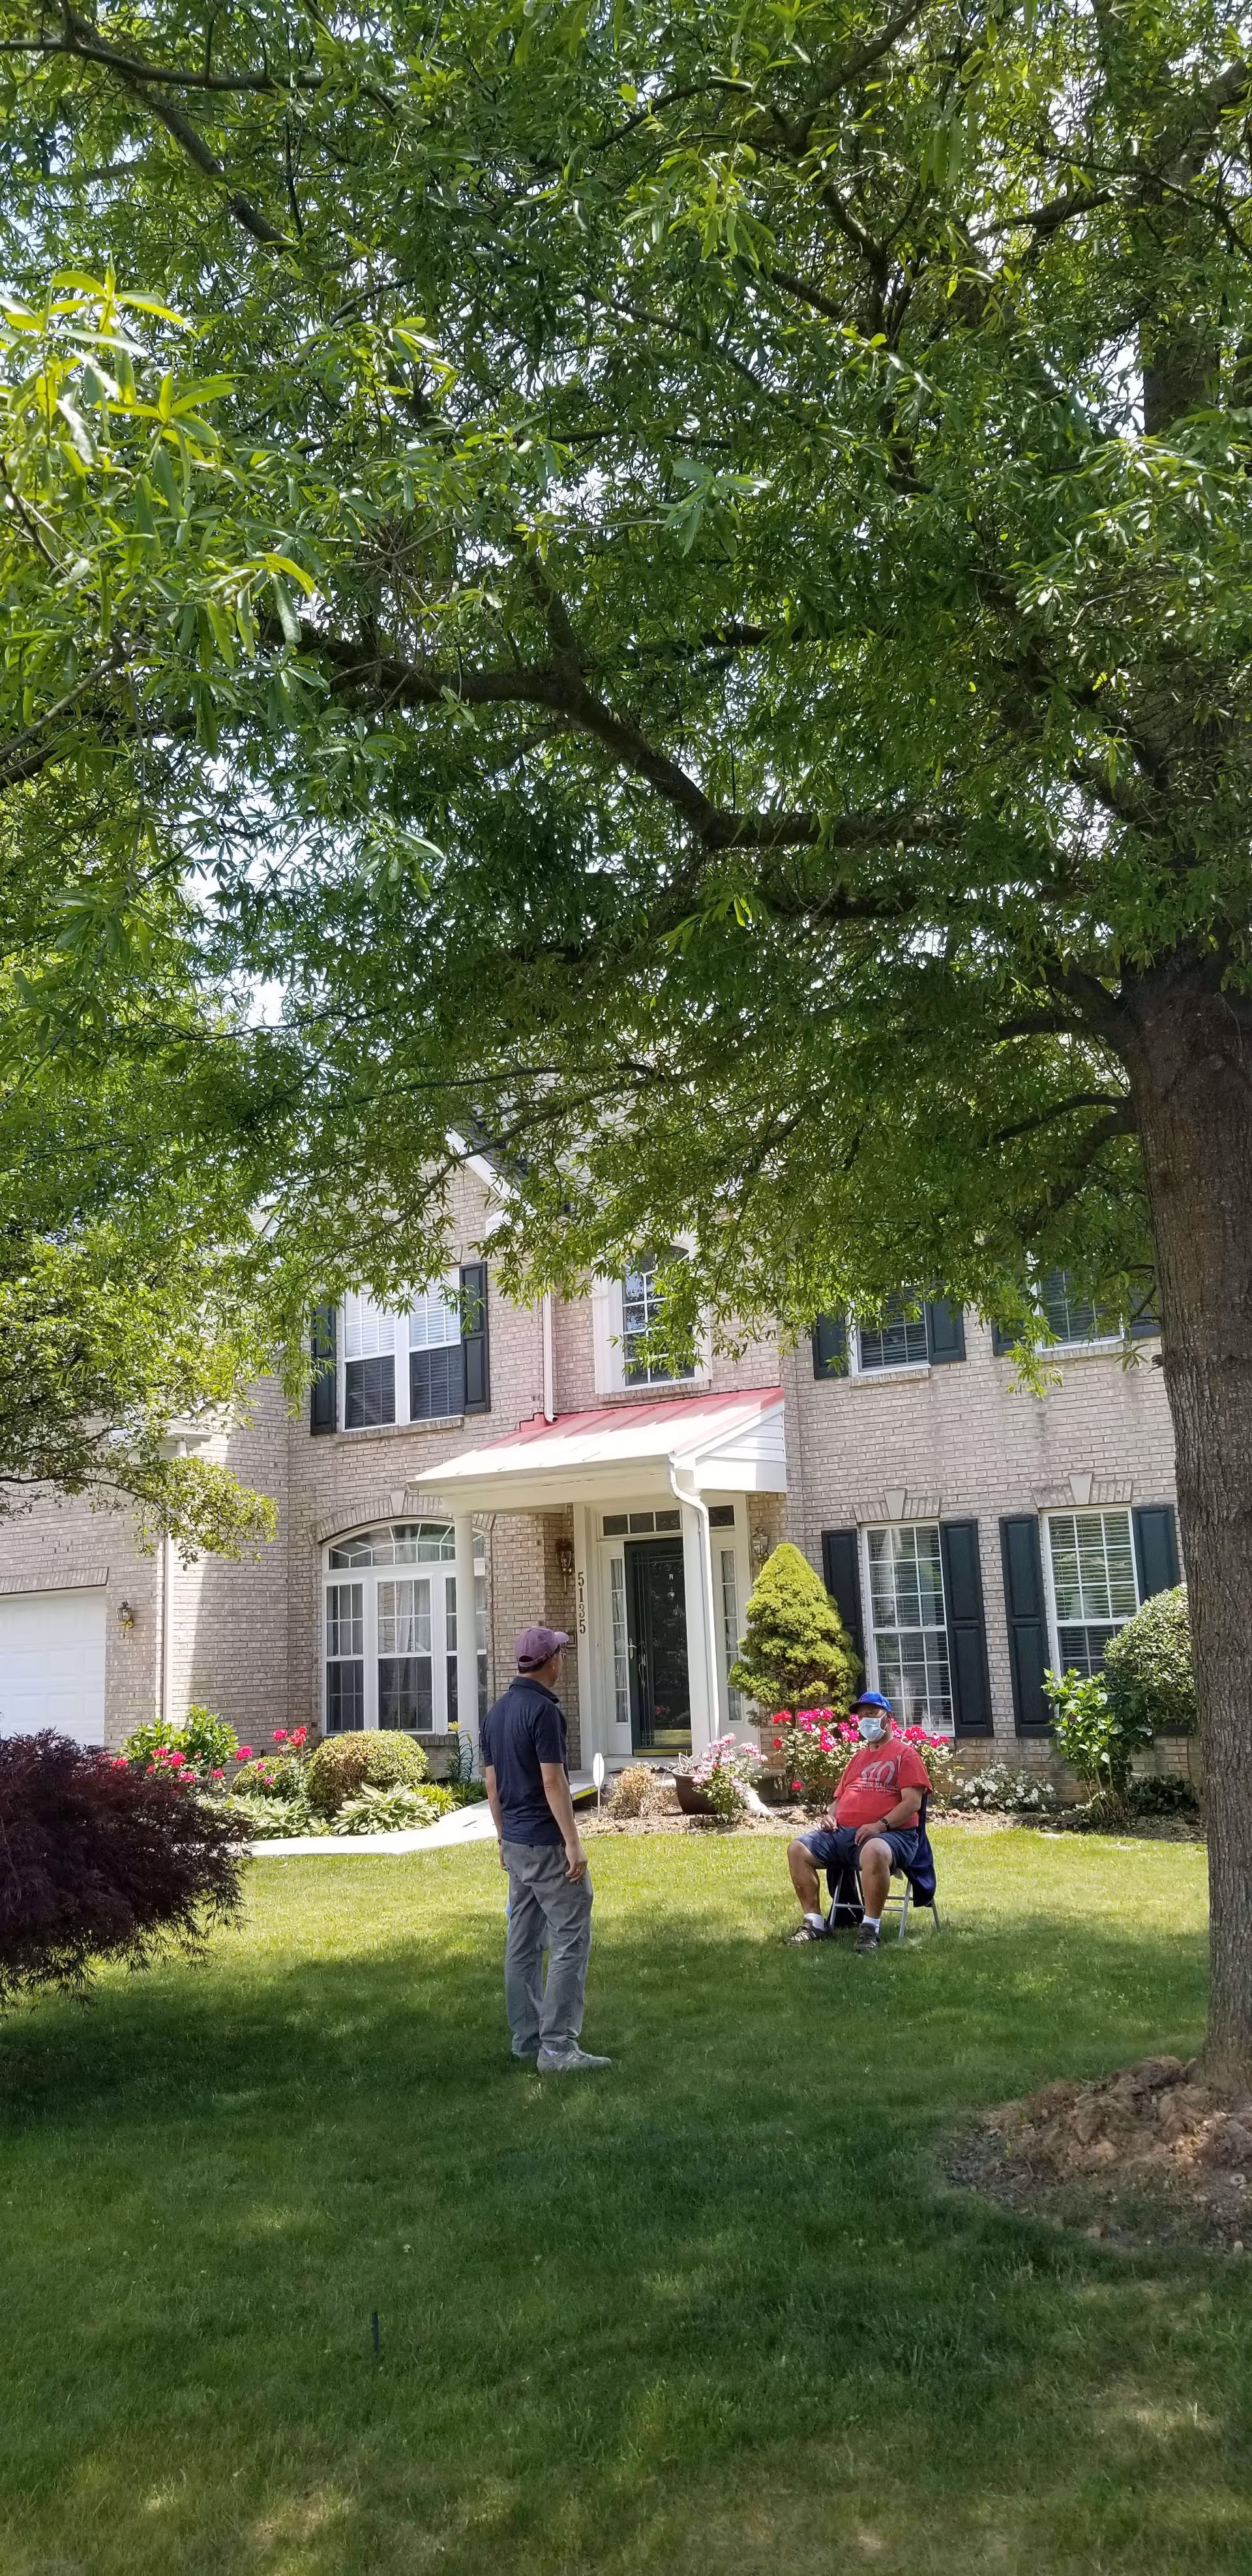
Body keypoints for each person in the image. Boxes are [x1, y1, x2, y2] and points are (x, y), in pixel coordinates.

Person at [480, 1624, 610, 2074]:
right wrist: (573, 1842)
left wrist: (501, 1837)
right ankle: (557, 2048)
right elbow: (553, 1780)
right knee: (570, 1939)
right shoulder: (544, 1712)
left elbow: (492, 1784)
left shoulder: (496, 1713)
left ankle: (527, 2039)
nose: (564, 1659)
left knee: (522, 1942)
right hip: (546, 1844)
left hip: (516, 1842)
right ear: (550, 1661)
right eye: (561, 1653)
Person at [784, 1690, 930, 1954]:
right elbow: (839, 1798)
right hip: (844, 1833)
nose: (866, 1721)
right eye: (861, 1716)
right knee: (798, 1849)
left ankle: (870, 1928)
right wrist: (830, 1815)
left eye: (872, 1714)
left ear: (888, 1719)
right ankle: (814, 1922)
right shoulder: (857, 1759)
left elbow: (912, 1804)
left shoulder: (905, 1755)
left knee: (874, 1850)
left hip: (893, 1835)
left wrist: (879, 1826)